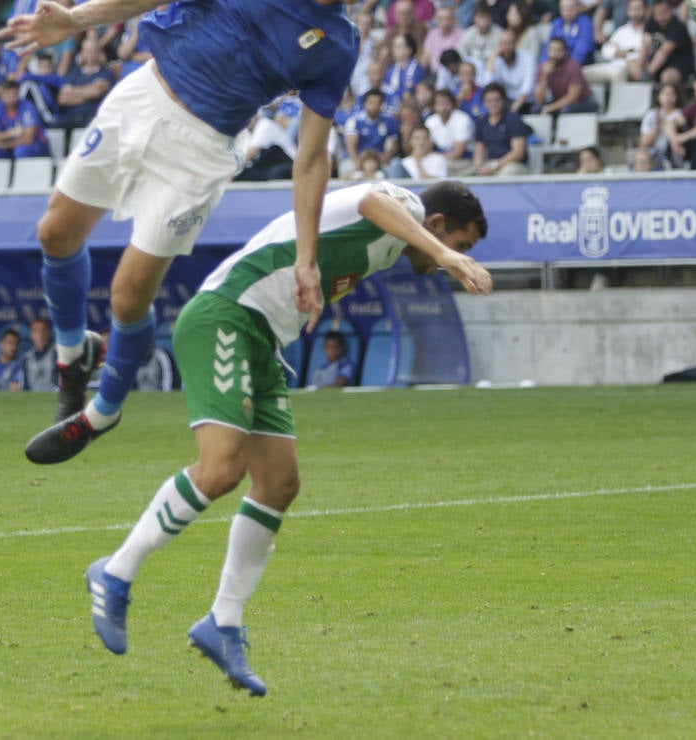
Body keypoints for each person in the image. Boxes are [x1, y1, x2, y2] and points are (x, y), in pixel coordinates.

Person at [2, 0, 420, 466]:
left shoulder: (338, 45)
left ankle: (103, 411)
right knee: (54, 234)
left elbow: (312, 159)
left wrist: (305, 256)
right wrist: (76, 20)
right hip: (144, 95)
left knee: (129, 294)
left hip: (199, 154)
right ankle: (73, 356)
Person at [81, 180, 491, 695]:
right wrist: (444, 256)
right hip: (226, 316)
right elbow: (371, 202)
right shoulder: (404, 205)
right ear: (436, 225)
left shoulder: (389, 247)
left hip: (262, 338)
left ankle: (222, 624)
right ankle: (115, 572)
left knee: (279, 483)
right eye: (461, 245)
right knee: (220, 469)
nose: (454, 260)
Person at [21, 317, 58, 391]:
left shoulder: (57, 354)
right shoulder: (26, 358)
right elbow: (25, 387)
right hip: (32, 400)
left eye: (44, 331)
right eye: (36, 331)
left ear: (50, 333)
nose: (40, 335)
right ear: (31, 335)